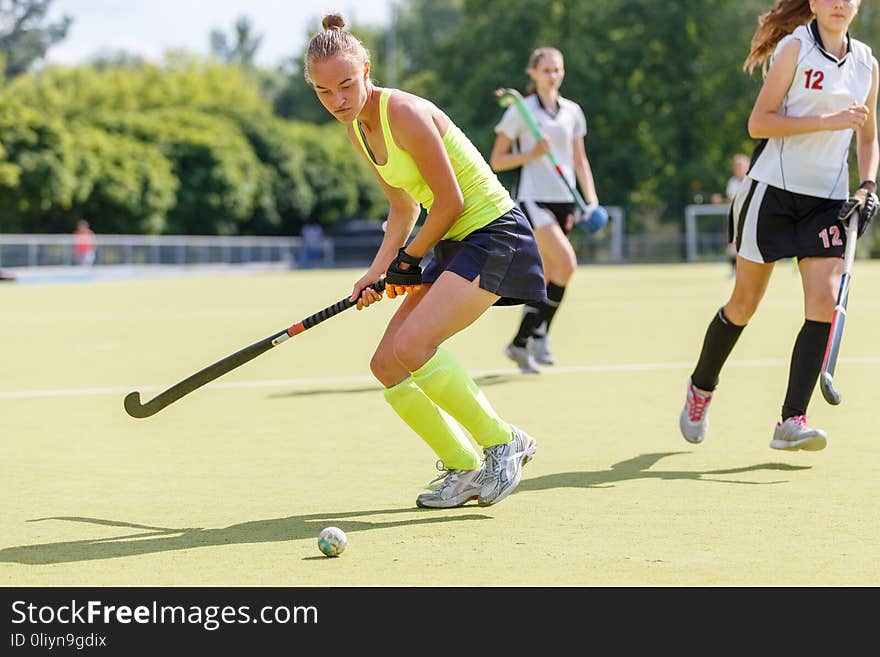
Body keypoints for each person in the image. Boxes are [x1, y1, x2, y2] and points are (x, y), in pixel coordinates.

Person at [304, 13, 546, 508]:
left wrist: (409, 260)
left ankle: (504, 443)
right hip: (452, 240)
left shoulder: (405, 114)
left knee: (414, 344)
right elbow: (403, 208)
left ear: (366, 68)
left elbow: (451, 200)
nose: (339, 100)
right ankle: (463, 468)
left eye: (347, 85)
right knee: (386, 364)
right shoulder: (360, 131)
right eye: (325, 93)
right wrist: (377, 271)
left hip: (493, 233)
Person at [679, 0, 878, 452]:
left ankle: (791, 419)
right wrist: (827, 122)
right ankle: (701, 387)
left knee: (825, 302)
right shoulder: (795, 48)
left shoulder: (867, 61)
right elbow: (758, 123)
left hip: (828, 201)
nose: (840, 3)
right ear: (813, 3)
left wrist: (867, 184)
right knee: (744, 304)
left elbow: (868, 136)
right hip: (772, 194)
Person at [489, 47, 600, 373]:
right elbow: (498, 160)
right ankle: (540, 333)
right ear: (533, 73)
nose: (553, 76)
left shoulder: (572, 112)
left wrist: (590, 199)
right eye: (547, 70)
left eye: (557, 70)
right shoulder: (520, 112)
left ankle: (521, 343)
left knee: (551, 276)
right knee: (567, 263)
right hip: (533, 199)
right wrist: (533, 153)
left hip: (565, 199)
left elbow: (580, 160)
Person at [724, 154, 751, 274]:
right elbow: (731, 200)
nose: (738, 169)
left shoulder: (751, 181)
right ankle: (734, 270)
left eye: (741, 166)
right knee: (733, 244)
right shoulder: (732, 182)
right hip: (734, 217)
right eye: (736, 166)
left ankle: (747, 270)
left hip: (749, 217)